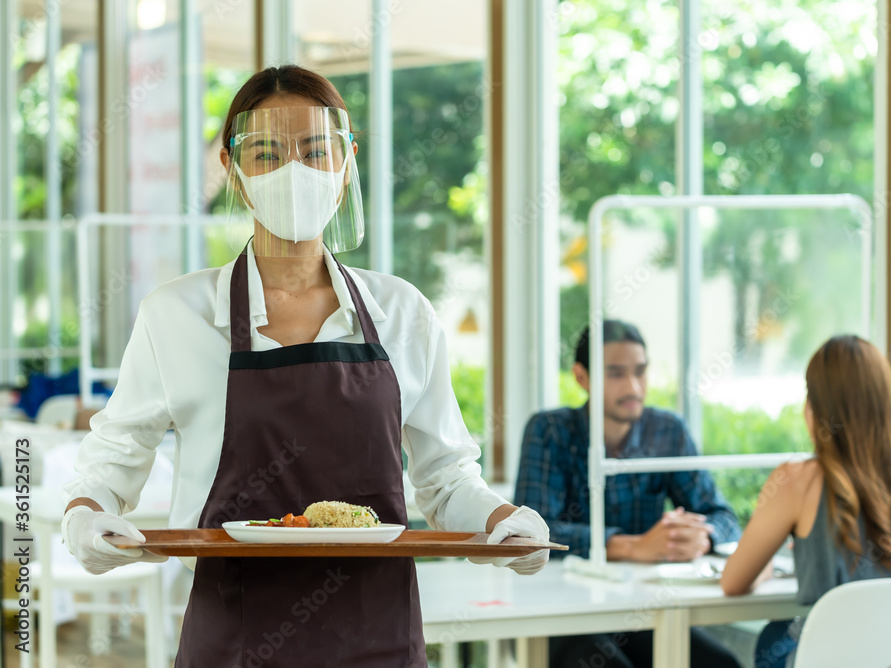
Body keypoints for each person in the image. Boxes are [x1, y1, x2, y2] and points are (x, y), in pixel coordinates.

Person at [61, 65, 550, 667]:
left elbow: (446, 477)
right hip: (236, 639)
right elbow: (111, 466)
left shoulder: (402, 312)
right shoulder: (175, 315)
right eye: (266, 153)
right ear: (235, 172)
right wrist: (85, 519)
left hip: (380, 639)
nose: (294, 172)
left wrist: (506, 522)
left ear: (344, 169)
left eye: (316, 152)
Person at [720, 334, 891, 668]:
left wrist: (768, 566)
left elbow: (732, 582)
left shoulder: (797, 481)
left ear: (815, 408)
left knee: (773, 640)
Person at [514, 320, 743, 668]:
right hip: (559, 612)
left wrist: (700, 538)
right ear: (581, 377)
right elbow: (534, 536)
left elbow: (723, 516)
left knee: (722, 664)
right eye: (616, 374)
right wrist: (633, 546)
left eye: (640, 372)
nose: (633, 387)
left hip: (639, 611)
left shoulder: (667, 431)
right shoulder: (549, 431)